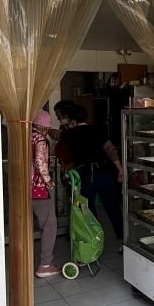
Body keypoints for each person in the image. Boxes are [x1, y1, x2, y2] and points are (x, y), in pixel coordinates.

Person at [57, 102, 124, 243]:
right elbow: (111, 150)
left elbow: (59, 141)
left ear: (72, 120)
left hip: (86, 174)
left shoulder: (68, 134)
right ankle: (122, 240)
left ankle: (95, 240)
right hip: (105, 172)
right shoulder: (98, 129)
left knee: (87, 209)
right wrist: (120, 169)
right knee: (112, 207)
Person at [30, 109, 59, 278]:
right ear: (45, 127)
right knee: (49, 225)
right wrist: (49, 182)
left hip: (24, 187)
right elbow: (40, 163)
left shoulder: (26, 136)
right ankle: (45, 265)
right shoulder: (40, 140)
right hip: (39, 188)